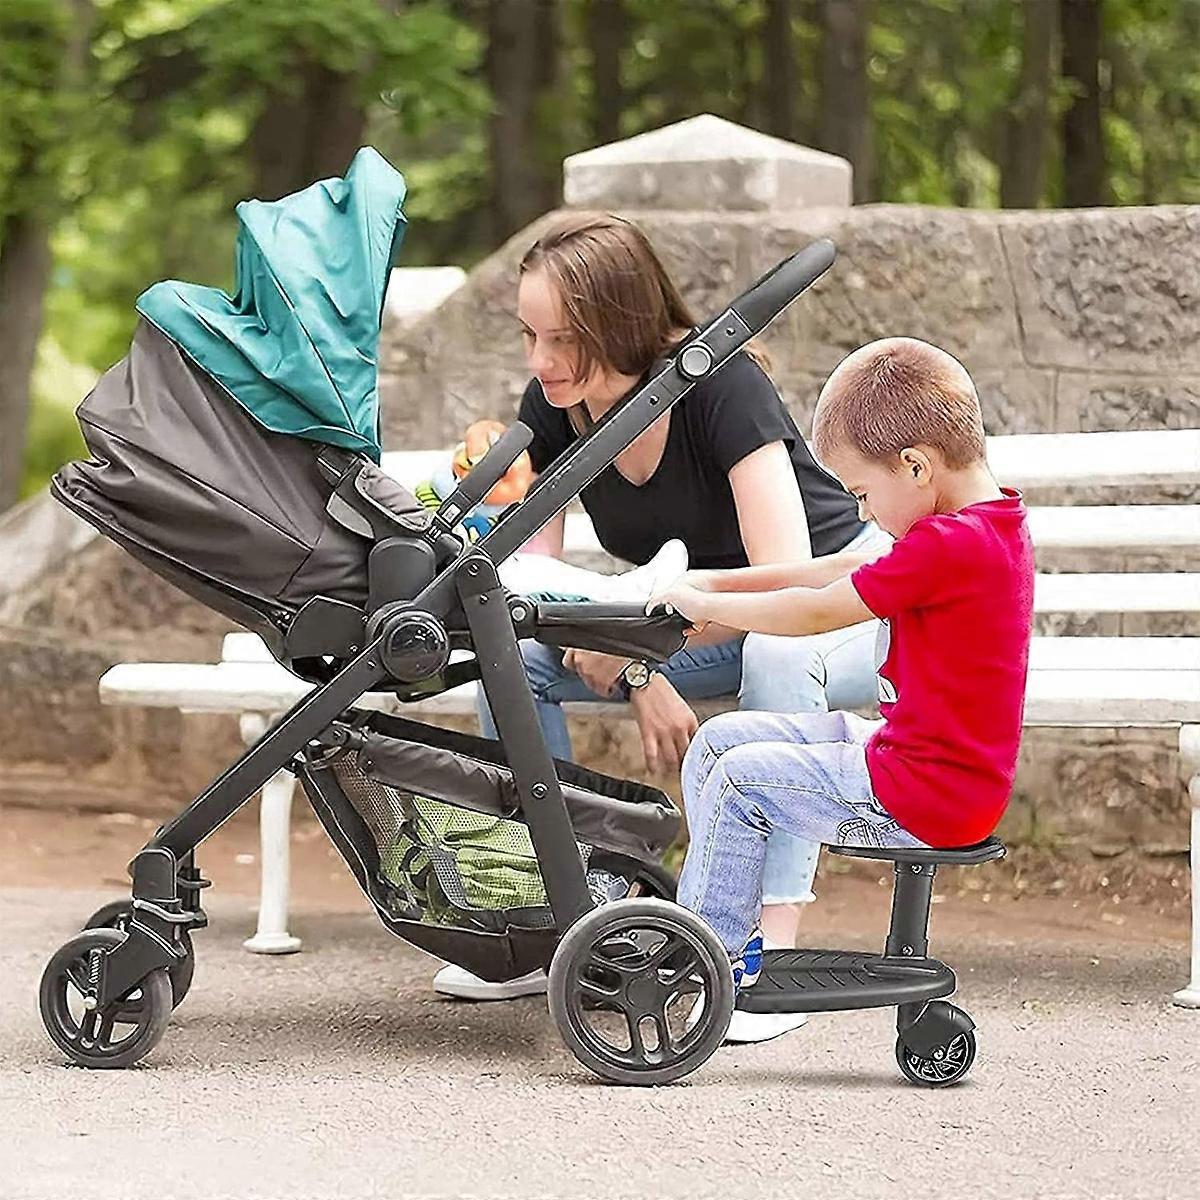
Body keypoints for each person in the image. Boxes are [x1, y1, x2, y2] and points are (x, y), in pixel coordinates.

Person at [433, 213, 889, 1041]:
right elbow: (538, 581)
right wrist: (633, 662)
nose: (539, 362)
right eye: (530, 336)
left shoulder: (721, 387)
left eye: (561, 339)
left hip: (845, 603)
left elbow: (787, 587)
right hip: (707, 621)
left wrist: (648, 656)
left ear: (622, 323)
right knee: (515, 665)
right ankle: (557, 918)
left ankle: (765, 956)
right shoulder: (556, 400)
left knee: (781, 656)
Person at [652, 337, 1034, 1026]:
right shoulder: (974, 523)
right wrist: (716, 580)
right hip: (911, 763)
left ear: (915, 465)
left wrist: (711, 609)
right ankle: (714, 941)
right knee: (718, 744)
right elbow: (831, 570)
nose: (861, 512)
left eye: (862, 493)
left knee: (740, 779)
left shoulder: (953, 546)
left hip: (926, 794)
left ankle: (707, 965)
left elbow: (821, 608)